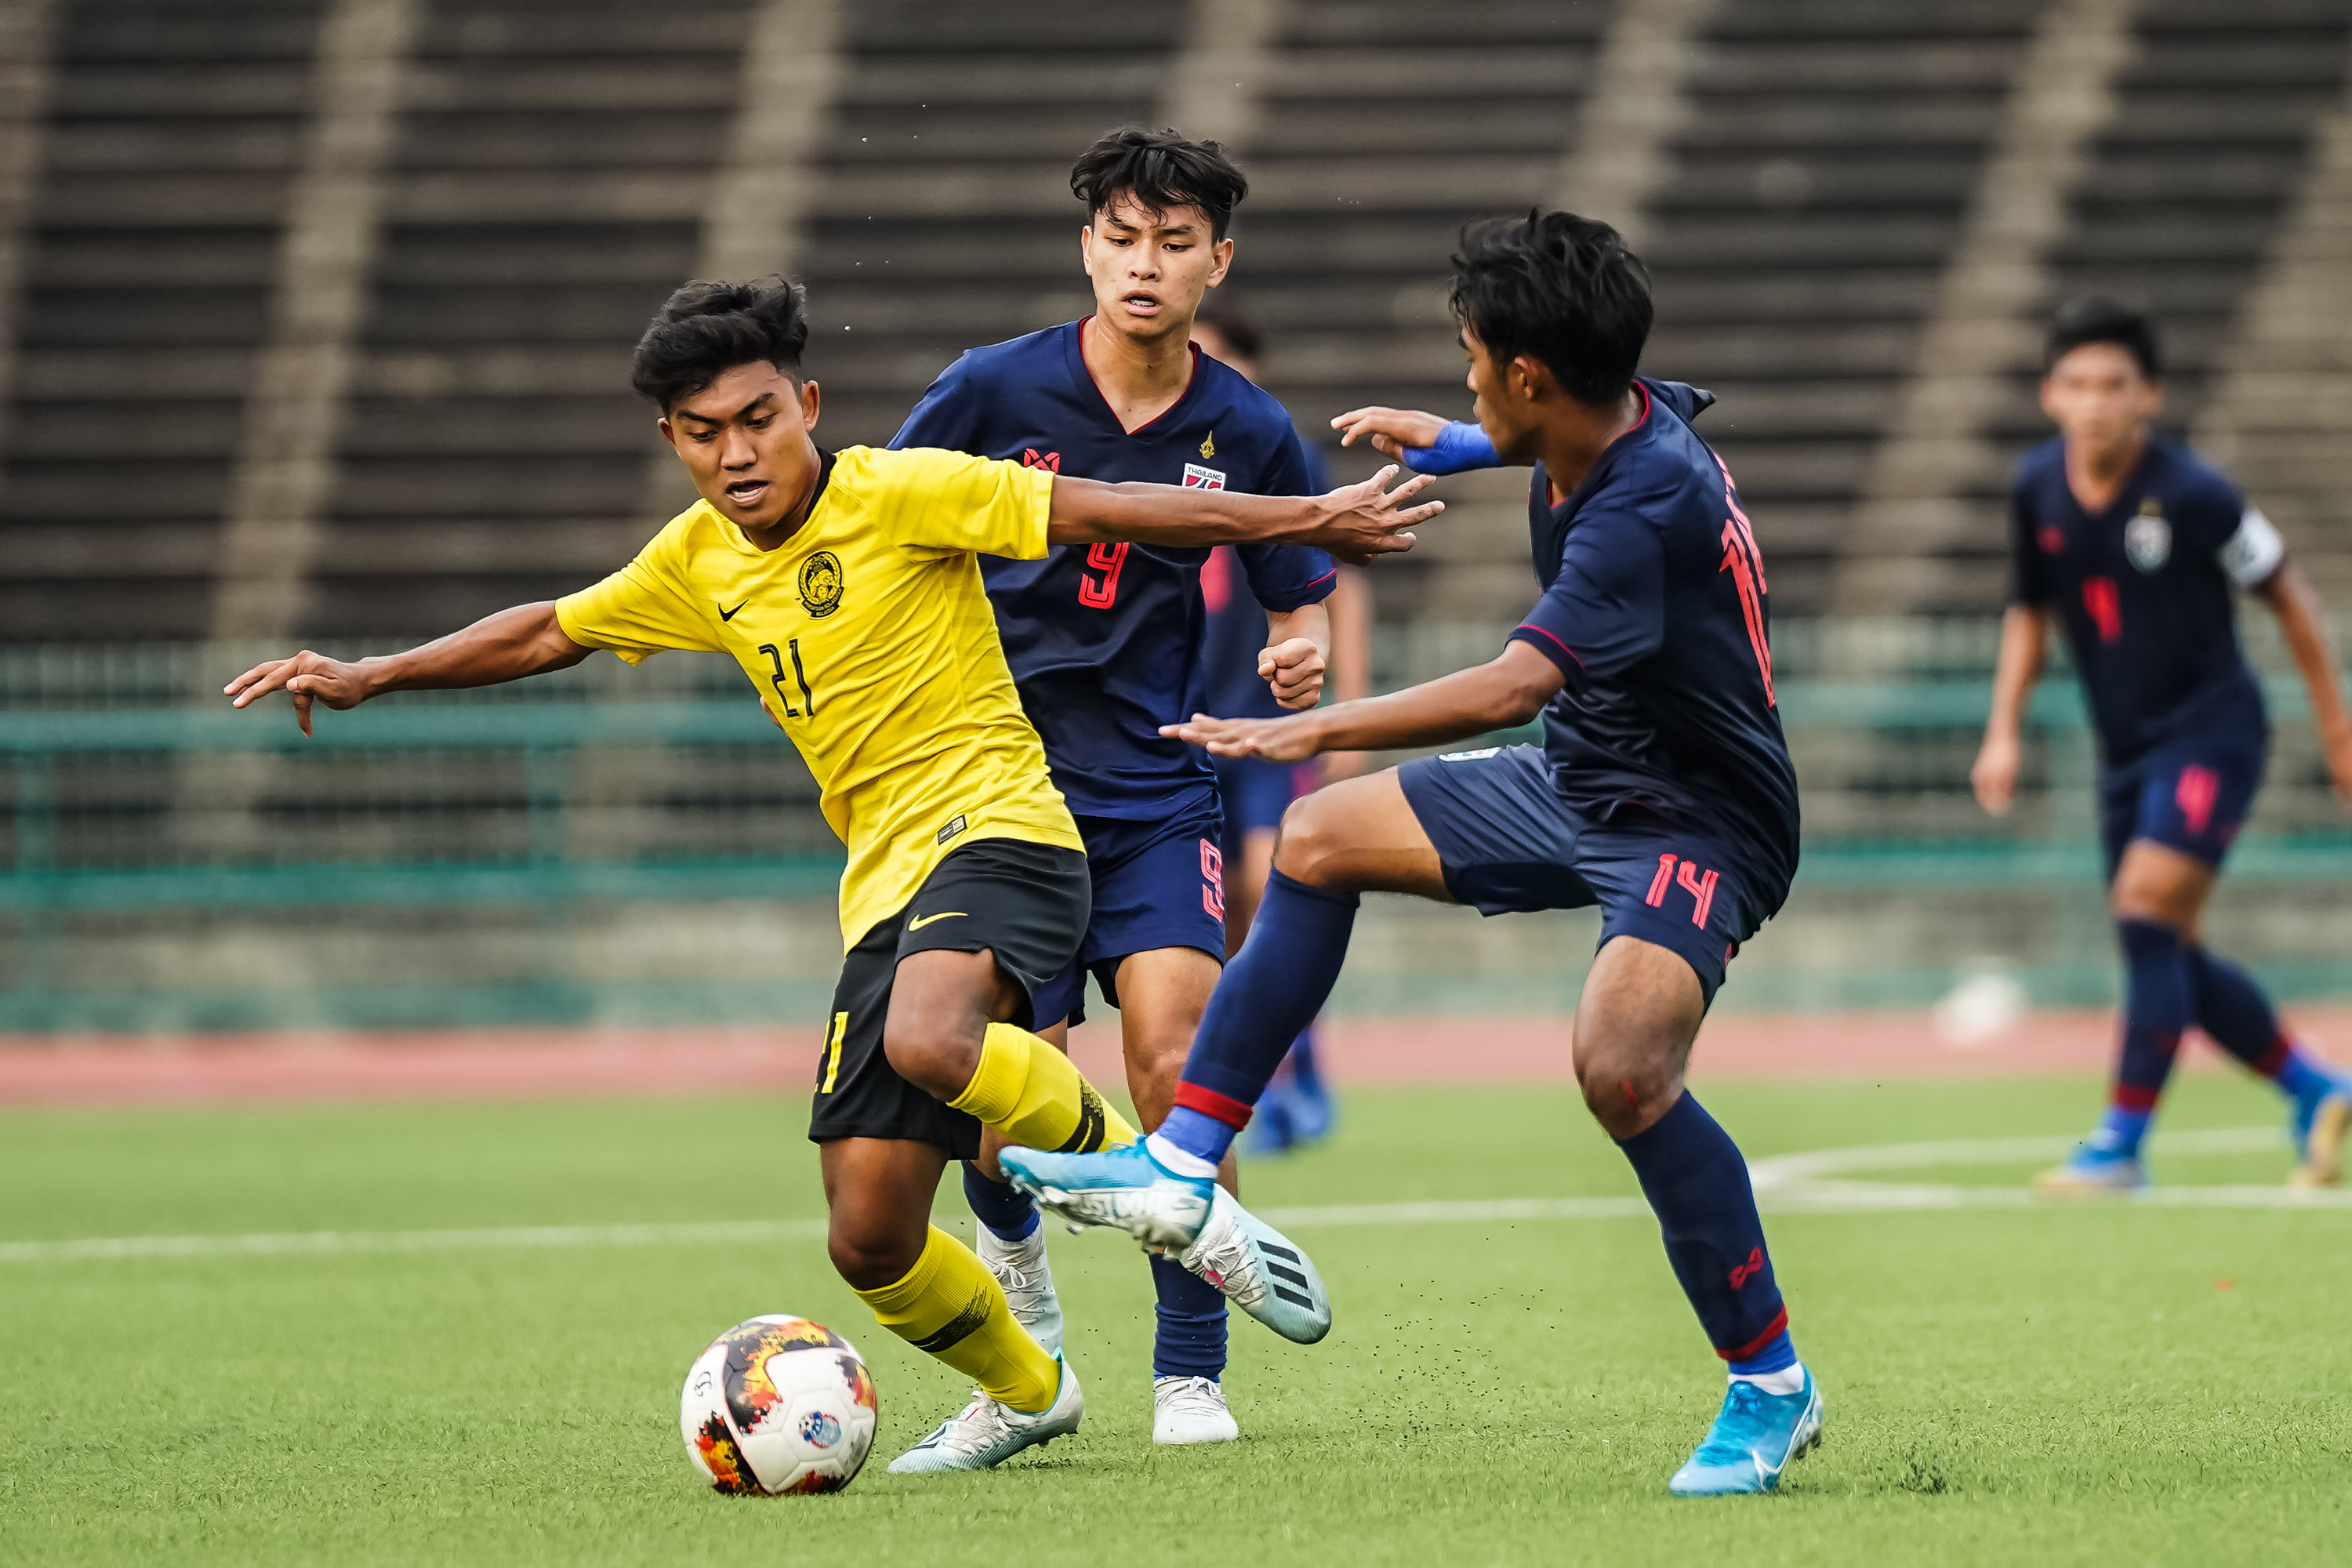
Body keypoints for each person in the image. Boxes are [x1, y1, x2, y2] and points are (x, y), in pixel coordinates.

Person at [223, 278, 1438, 1473]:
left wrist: (1303, 518)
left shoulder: (903, 490)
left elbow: (1113, 508)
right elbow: (551, 628)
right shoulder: (695, 560)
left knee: (934, 1041)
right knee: (868, 1236)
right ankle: (1032, 1392)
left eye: (759, 418)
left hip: (1008, 825)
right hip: (887, 885)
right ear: (672, 441)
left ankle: (1174, 1192)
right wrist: (374, 673)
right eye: (705, 433)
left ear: (808, 403)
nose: (737, 452)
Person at [1004, 211, 1824, 1497]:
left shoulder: (1642, 500)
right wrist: (1459, 442)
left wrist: (1312, 726)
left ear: (1533, 377)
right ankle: (1179, 1163)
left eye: (1474, 364)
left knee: (1622, 1068)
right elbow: (1600, 413)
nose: (1466, 379)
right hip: (1589, 780)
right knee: (1323, 842)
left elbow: (1509, 689)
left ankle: (1770, 1384)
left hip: (1697, 821)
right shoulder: (1611, 413)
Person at [887, 129, 1342, 1446]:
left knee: (1176, 1064)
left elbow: (1296, 592)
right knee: (1004, 1081)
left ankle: (1189, 1377)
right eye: (1124, 237)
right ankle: (1024, 1353)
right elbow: (886, 516)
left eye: (1176, 241)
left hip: (1158, 786)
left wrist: (1294, 651)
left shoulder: (1246, 426)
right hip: (1001, 789)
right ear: (1088, 247)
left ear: (1219, 262)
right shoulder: (988, 389)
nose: (1147, 264)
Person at [1971, 297, 2352, 1192]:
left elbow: (2291, 596)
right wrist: (2003, 728)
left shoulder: (2195, 492)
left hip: (2214, 733)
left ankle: (2119, 1144)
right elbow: (2029, 608)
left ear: (2150, 395)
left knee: (2146, 911)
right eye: (2077, 383)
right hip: (2126, 748)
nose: (2095, 401)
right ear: (2049, 394)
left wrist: (2338, 728)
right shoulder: (2035, 488)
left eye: (2114, 384)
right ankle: (2316, 1087)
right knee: (2162, 943)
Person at [1191, 298, 1374, 1152]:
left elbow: (1345, 578)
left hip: (1270, 719)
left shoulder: (1276, 450)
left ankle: (1303, 1073)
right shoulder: (1148, 449)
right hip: (1185, 716)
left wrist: (1347, 713)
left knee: (1270, 882)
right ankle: (1256, 1081)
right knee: (1220, 909)